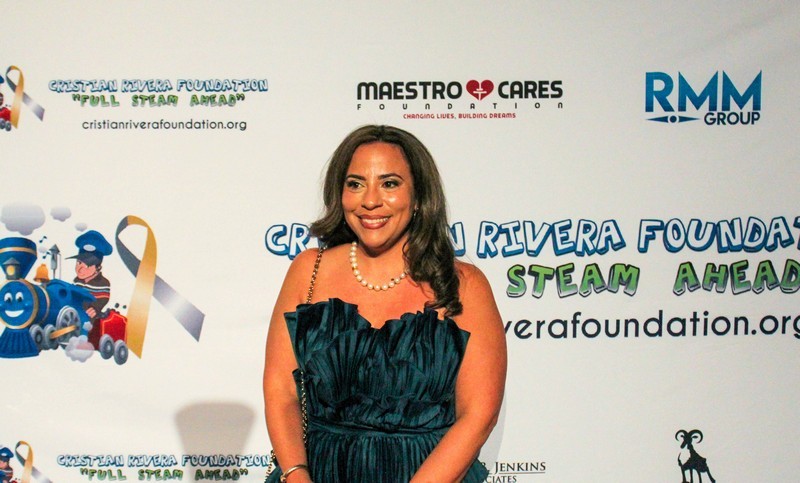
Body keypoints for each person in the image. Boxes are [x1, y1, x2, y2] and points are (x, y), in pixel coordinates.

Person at [263, 125, 507, 482]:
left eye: (389, 183)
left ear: (419, 195)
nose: (370, 200)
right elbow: (281, 390)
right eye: (355, 184)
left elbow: (479, 414)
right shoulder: (308, 270)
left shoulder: (465, 284)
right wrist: (296, 474)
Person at [68, 230, 113, 319]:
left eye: (87, 266)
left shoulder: (103, 283)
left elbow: (102, 300)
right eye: (79, 263)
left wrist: (95, 308)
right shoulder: (77, 281)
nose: (80, 269)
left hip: (90, 318)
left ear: (97, 268)